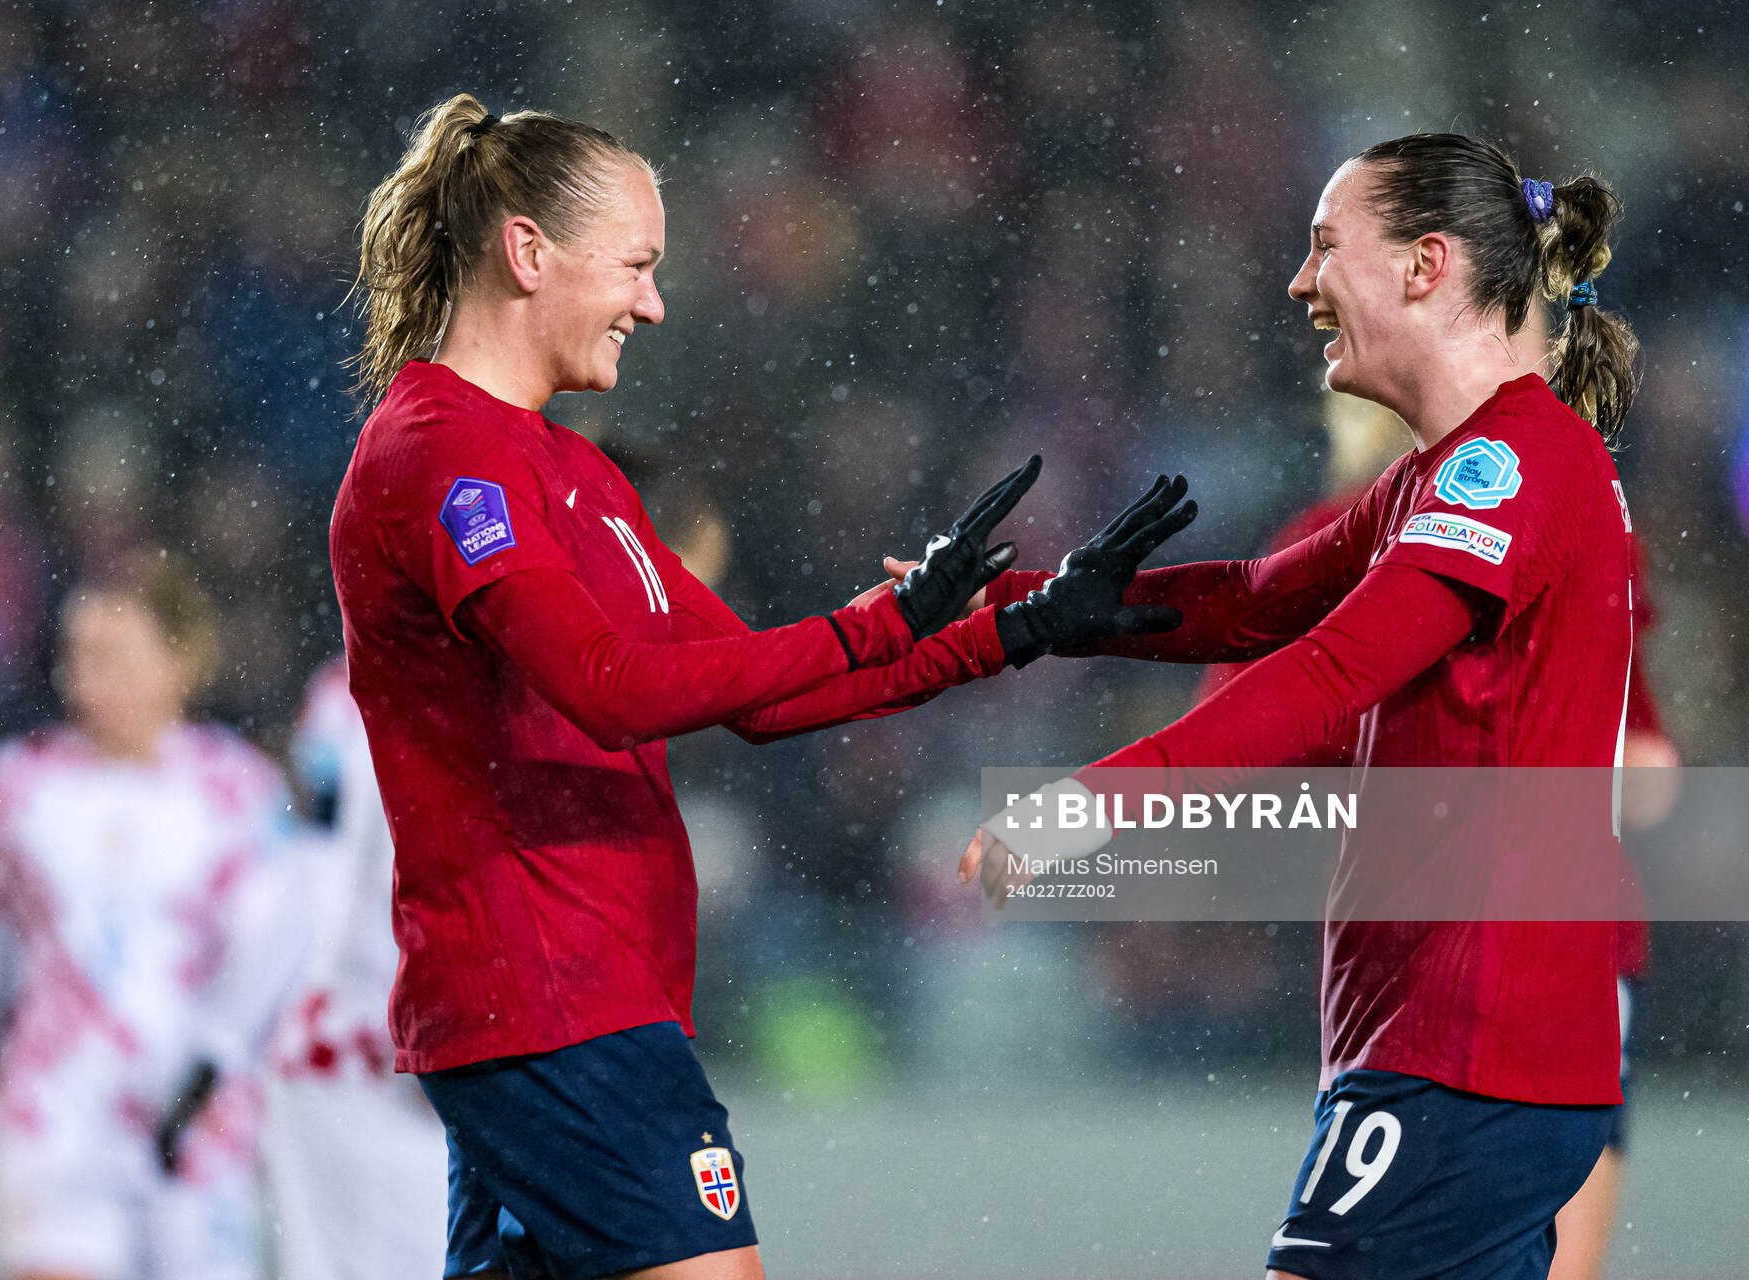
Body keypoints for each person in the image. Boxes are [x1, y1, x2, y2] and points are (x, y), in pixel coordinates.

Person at [330, 92, 1195, 1280]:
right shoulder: (439, 452)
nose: (653, 302)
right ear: (528, 253)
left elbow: (761, 692)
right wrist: (879, 620)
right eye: (635, 265)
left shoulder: (573, 468)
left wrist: (1011, 630)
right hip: (550, 999)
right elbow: (610, 686)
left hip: (582, 997)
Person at [964, 134, 1640, 1279]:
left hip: (1467, 1047)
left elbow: (1331, 669)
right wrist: (1002, 605)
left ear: (1427, 265)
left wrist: (1087, 806)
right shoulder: (1454, 469)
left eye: (1327, 247)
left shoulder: (1515, 467)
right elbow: (1248, 603)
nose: (1299, 281)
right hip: (1454, 1049)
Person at [0, 550, 290, 1280]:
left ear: (181, 661)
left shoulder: (241, 794)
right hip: (55, 1117)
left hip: (200, 1125)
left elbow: (275, 965)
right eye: (77, 655)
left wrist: (263, 1092)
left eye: (113, 656)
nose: (86, 680)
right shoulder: (18, 786)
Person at [260, 657, 448, 1280]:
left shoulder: (536, 663)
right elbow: (321, 862)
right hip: (369, 1043)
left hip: (419, 1043)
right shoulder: (344, 696)